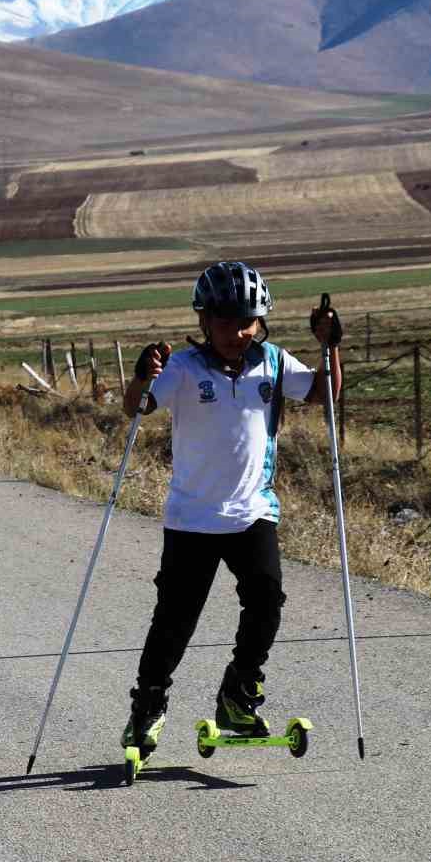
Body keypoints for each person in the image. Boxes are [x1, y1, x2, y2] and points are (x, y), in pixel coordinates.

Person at [118, 261, 342, 759]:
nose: (237, 332)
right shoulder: (181, 367)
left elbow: (325, 393)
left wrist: (330, 347)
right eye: (225, 322)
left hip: (252, 511)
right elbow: (136, 408)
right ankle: (148, 706)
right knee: (175, 621)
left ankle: (238, 695)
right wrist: (140, 377)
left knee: (266, 602)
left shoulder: (274, 362)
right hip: (191, 519)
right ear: (204, 321)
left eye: (248, 322)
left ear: (261, 321)